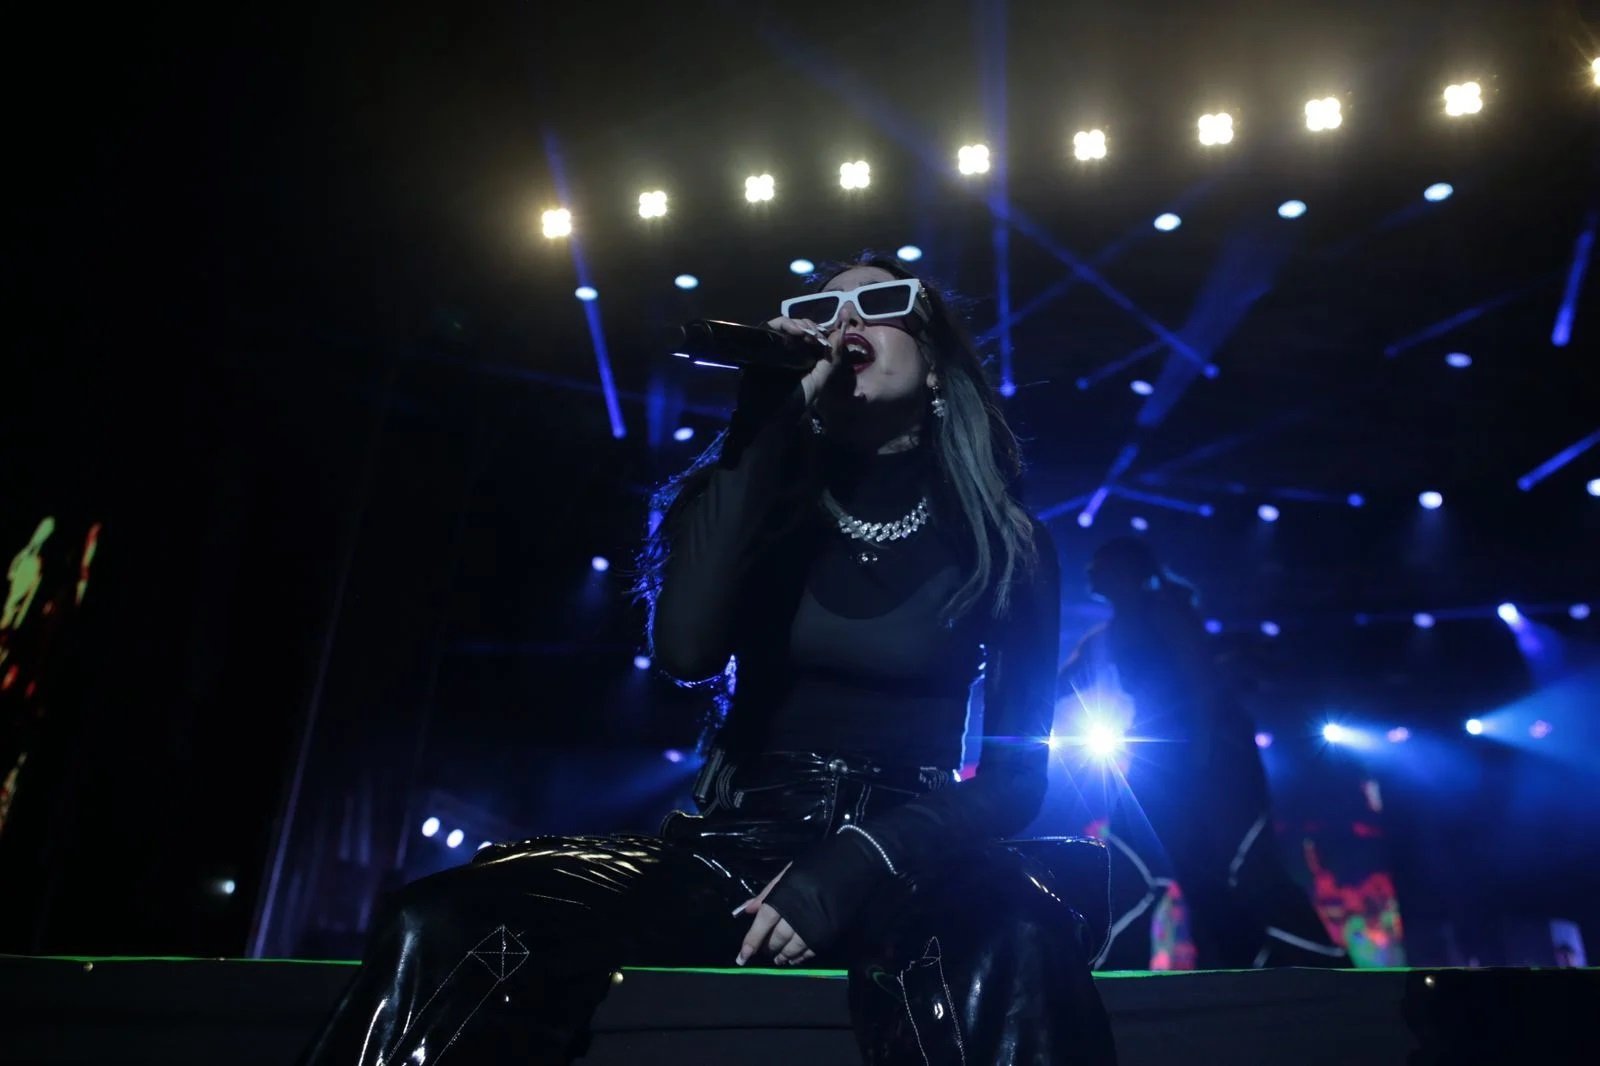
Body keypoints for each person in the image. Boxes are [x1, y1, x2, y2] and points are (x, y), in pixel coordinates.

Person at [300, 256, 1116, 1065]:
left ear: (935, 365)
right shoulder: (760, 498)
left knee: (1018, 940)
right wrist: (764, 414)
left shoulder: (1006, 545)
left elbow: (1017, 778)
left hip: (908, 852)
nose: (846, 322)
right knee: (448, 919)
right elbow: (686, 652)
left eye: (882, 302)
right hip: (738, 842)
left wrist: (859, 858)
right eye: (824, 310)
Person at [1062, 536, 1347, 970]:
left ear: (1127, 570)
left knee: (1239, 869)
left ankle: (1320, 969)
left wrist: (1200, 758)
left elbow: (1202, 686)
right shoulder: (1110, 634)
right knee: (1151, 865)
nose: (1090, 571)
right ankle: (1141, 970)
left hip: (1209, 756)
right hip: (1164, 760)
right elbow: (1062, 680)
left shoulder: (1167, 613)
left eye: (1100, 563)